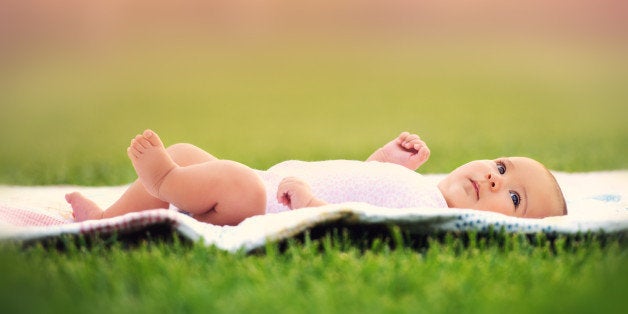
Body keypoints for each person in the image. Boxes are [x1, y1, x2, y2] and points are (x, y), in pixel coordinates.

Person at [66, 129, 567, 226]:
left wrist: (307, 204)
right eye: (502, 166)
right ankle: (108, 218)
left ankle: (166, 184)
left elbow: (359, 216)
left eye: (516, 196)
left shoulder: (429, 215)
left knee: (230, 179)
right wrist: (386, 159)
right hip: (272, 182)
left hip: (266, 202)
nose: (497, 179)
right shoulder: (425, 187)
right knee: (190, 152)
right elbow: (362, 182)